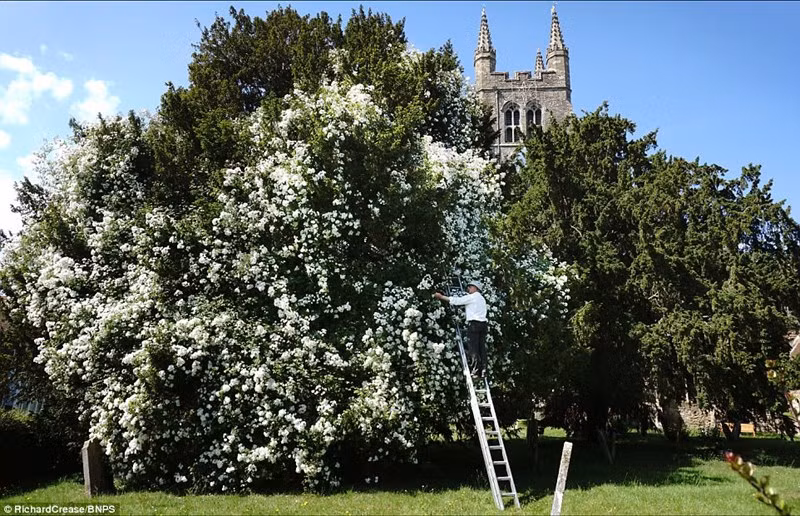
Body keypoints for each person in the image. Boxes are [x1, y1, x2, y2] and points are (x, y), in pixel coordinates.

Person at [434, 280, 488, 377]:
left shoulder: (472, 297)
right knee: (481, 348)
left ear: (476, 288)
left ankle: (475, 371)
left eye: (470, 287)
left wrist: (441, 297)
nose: (468, 289)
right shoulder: (482, 299)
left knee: (473, 348)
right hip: (483, 324)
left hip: (474, 324)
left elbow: (456, 301)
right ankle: (484, 370)